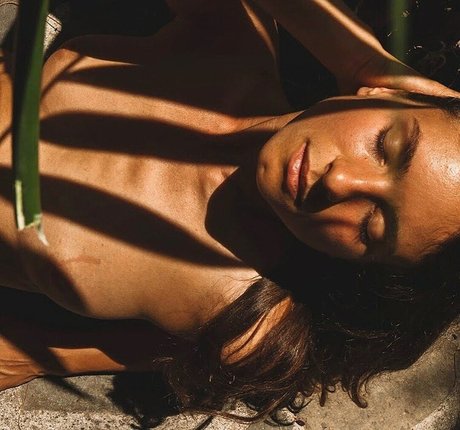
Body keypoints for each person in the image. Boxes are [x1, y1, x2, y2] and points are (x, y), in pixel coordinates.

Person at [0, 0, 459, 422]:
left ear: (361, 264)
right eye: (386, 145)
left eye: (371, 226)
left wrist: (48, 353)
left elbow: (192, 351)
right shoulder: (229, 44)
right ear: (385, 93)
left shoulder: (240, 310)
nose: (340, 182)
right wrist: (360, 60)